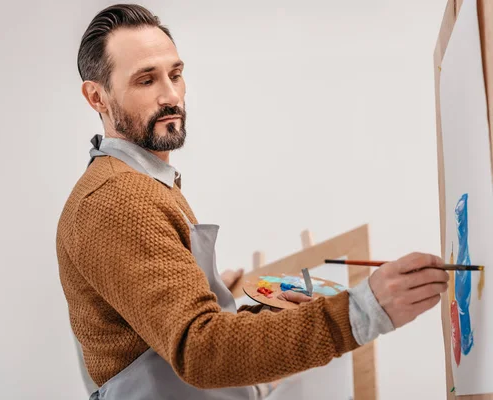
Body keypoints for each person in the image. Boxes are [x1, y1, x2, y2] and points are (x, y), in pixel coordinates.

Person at [56, 4, 449, 399]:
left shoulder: (144, 183)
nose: (171, 95)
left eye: (175, 74)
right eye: (146, 81)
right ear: (97, 97)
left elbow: (171, 338)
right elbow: (200, 350)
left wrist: (257, 318)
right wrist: (364, 311)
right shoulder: (116, 197)